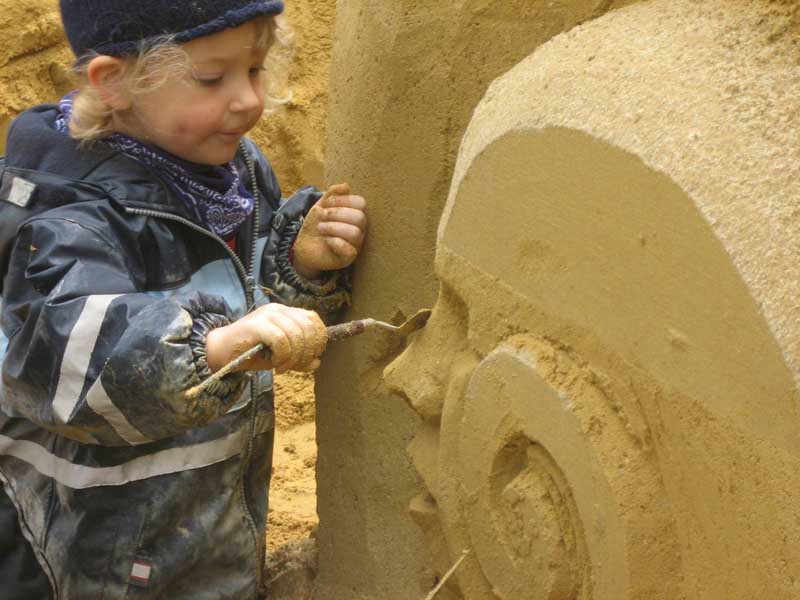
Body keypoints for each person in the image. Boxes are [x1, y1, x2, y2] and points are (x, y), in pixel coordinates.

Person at [0, 1, 367, 598]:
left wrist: (297, 262)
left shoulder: (229, 174)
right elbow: (66, 361)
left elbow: (244, 289)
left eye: (255, 69)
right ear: (114, 82)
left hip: (195, 519)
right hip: (92, 553)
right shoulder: (70, 218)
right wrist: (209, 350)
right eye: (212, 78)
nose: (247, 99)